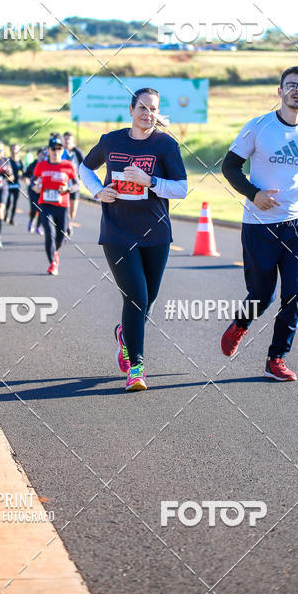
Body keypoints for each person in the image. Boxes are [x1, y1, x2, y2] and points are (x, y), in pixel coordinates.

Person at [219, 66, 298, 381]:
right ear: (280, 91)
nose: (297, 91)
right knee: (261, 295)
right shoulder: (259, 126)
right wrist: (254, 194)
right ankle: (241, 323)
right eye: (290, 85)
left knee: (296, 292)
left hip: (295, 225)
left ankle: (276, 359)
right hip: (258, 225)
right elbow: (230, 167)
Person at [80, 87, 187, 392]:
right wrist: (97, 191)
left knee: (147, 300)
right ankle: (136, 368)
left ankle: (124, 335)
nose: (147, 114)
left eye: (153, 109)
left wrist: (151, 181)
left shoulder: (165, 145)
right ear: (131, 110)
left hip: (156, 232)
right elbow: (85, 168)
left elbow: (181, 188)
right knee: (136, 298)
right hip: (117, 231)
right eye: (142, 107)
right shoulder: (111, 141)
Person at [32, 135, 77, 275]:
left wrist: (67, 189)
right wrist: (35, 187)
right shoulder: (41, 165)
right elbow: (33, 181)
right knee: (49, 234)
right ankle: (52, 263)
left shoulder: (68, 165)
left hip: (63, 206)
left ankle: (55, 251)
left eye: (59, 148)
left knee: (60, 236)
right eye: (53, 149)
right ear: (48, 150)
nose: (56, 151)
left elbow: (76, 185)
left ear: (62, 150)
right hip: (46, 204)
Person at [62, 131, 85, 236]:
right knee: (63, 210)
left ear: (72, 141)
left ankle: (68, 224)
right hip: (61, 186)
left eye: (69, 139)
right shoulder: (59, 151)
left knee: (72, 211)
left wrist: (79, 178)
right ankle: (64, 227)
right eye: (65, 139)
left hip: (74, 186)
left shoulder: (78, 152)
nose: (67, 141)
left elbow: (86, 166)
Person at [24, 148, 44, 234]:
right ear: (38, 154)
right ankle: (31, 221)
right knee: (33, 209)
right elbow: (25, 175)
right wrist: (27, 180)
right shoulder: (33, 164)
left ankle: (38, 227)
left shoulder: (46, 164)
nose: (43, 156)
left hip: (43, 190)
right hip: (32, 189)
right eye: (41, 154)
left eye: (44, 154)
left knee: (41, 209)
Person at [5, 144, 23, 225]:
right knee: (8, 202)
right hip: (7, 184)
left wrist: (21, 174)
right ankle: (5, 215)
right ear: (10, 150)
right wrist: (7, 176)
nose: (14, 151)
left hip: (16, 184)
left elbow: (22, 171)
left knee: (15, 202)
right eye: (13, 149)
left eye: (16, 149)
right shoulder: (7, 160)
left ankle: (12, 218)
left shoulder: (20, 161)